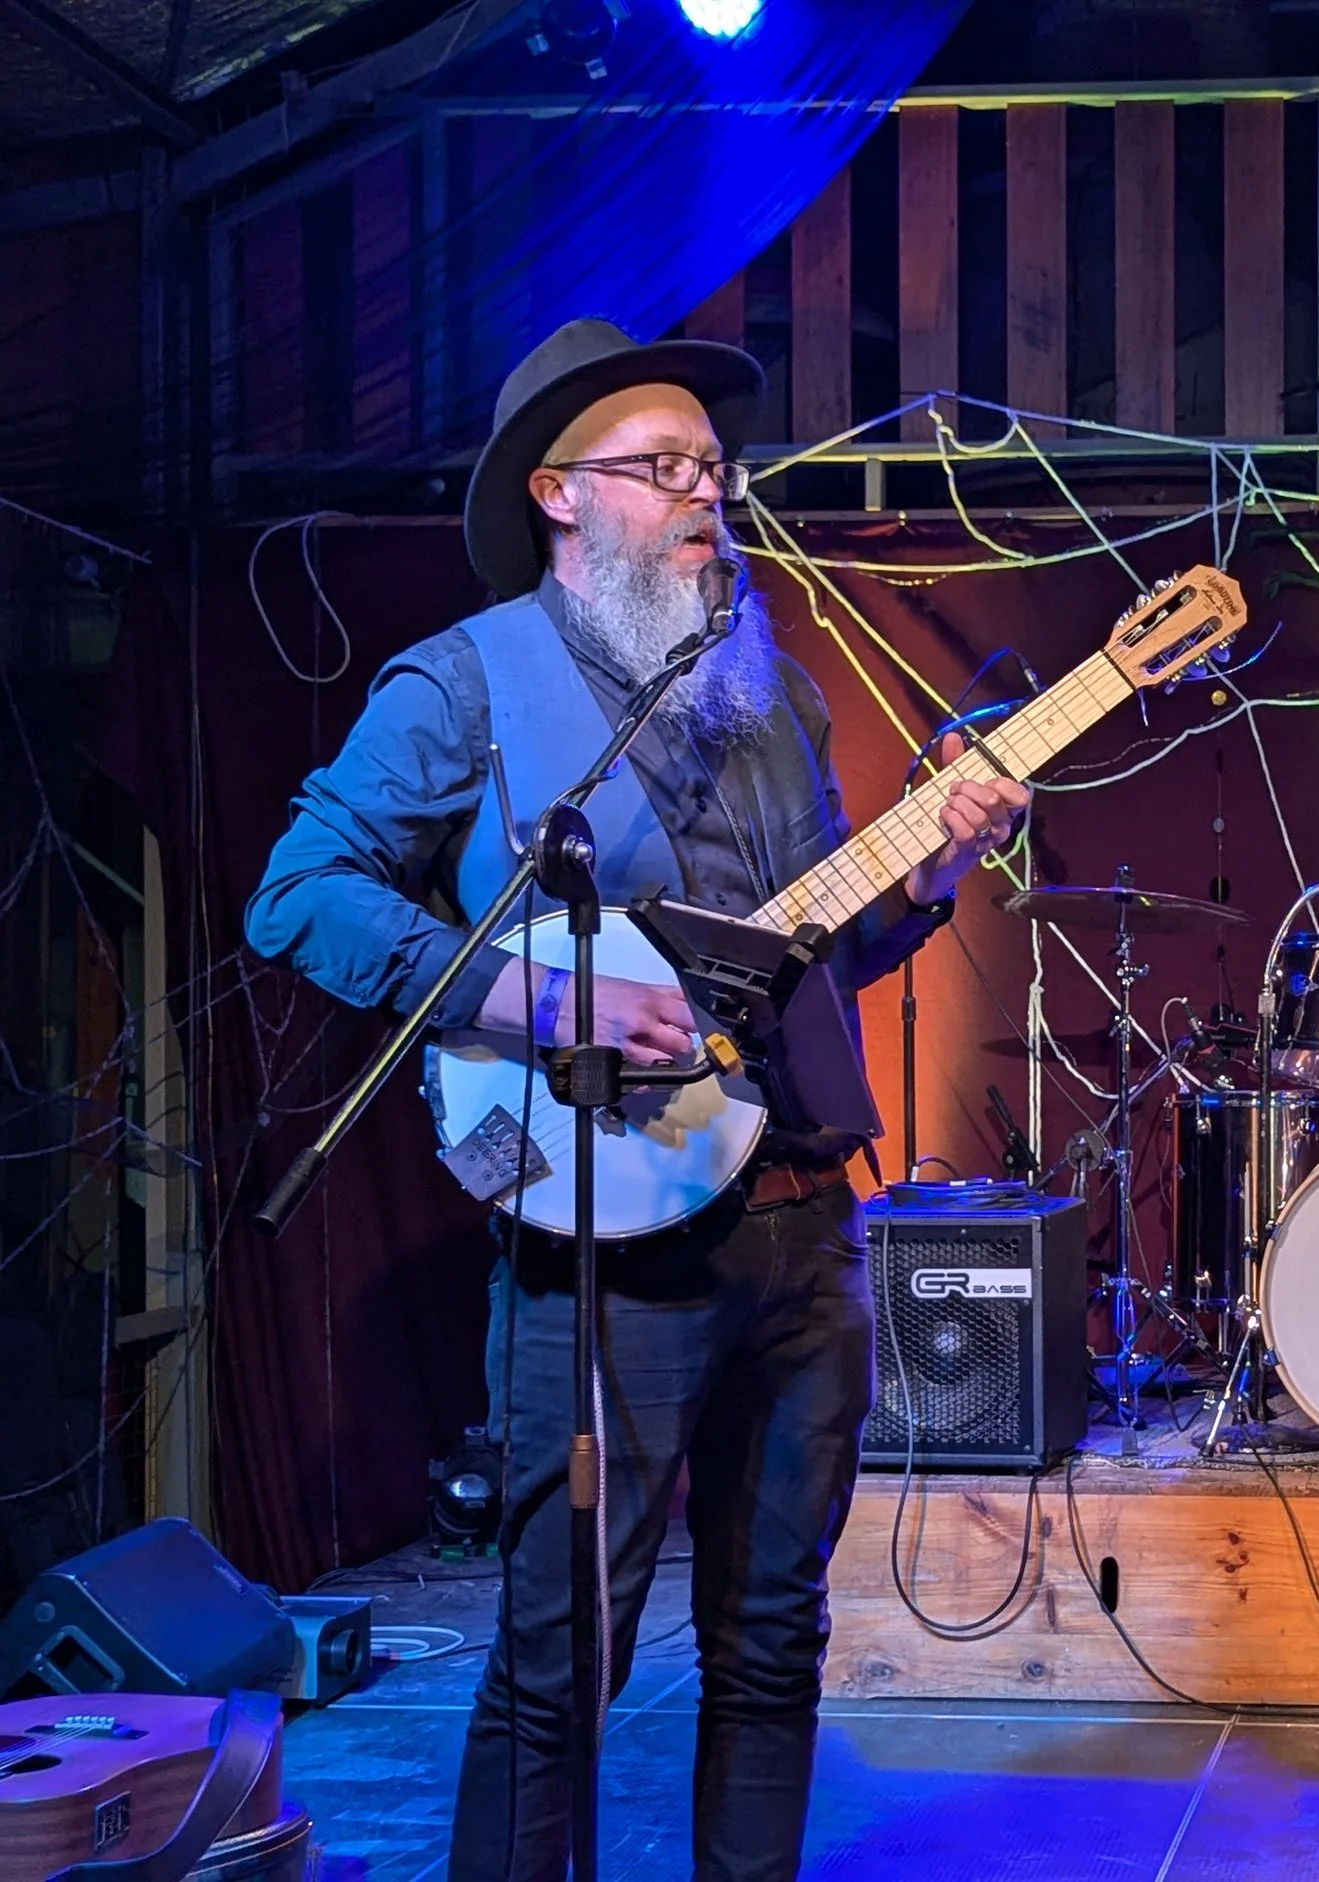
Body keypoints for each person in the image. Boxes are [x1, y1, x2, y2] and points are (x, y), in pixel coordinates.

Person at [246, 318, 1028, 1880]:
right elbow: (297, 892)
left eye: (714, 471)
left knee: (769, 1646)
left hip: (805, 1230)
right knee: (561, 1672)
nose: (704, 496)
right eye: (661, 466)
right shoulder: (466, 684)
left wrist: (932, 870)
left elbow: (793, 966)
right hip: (602, 1250)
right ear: (557, 492)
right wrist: (540, 994)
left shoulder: (777, 698)